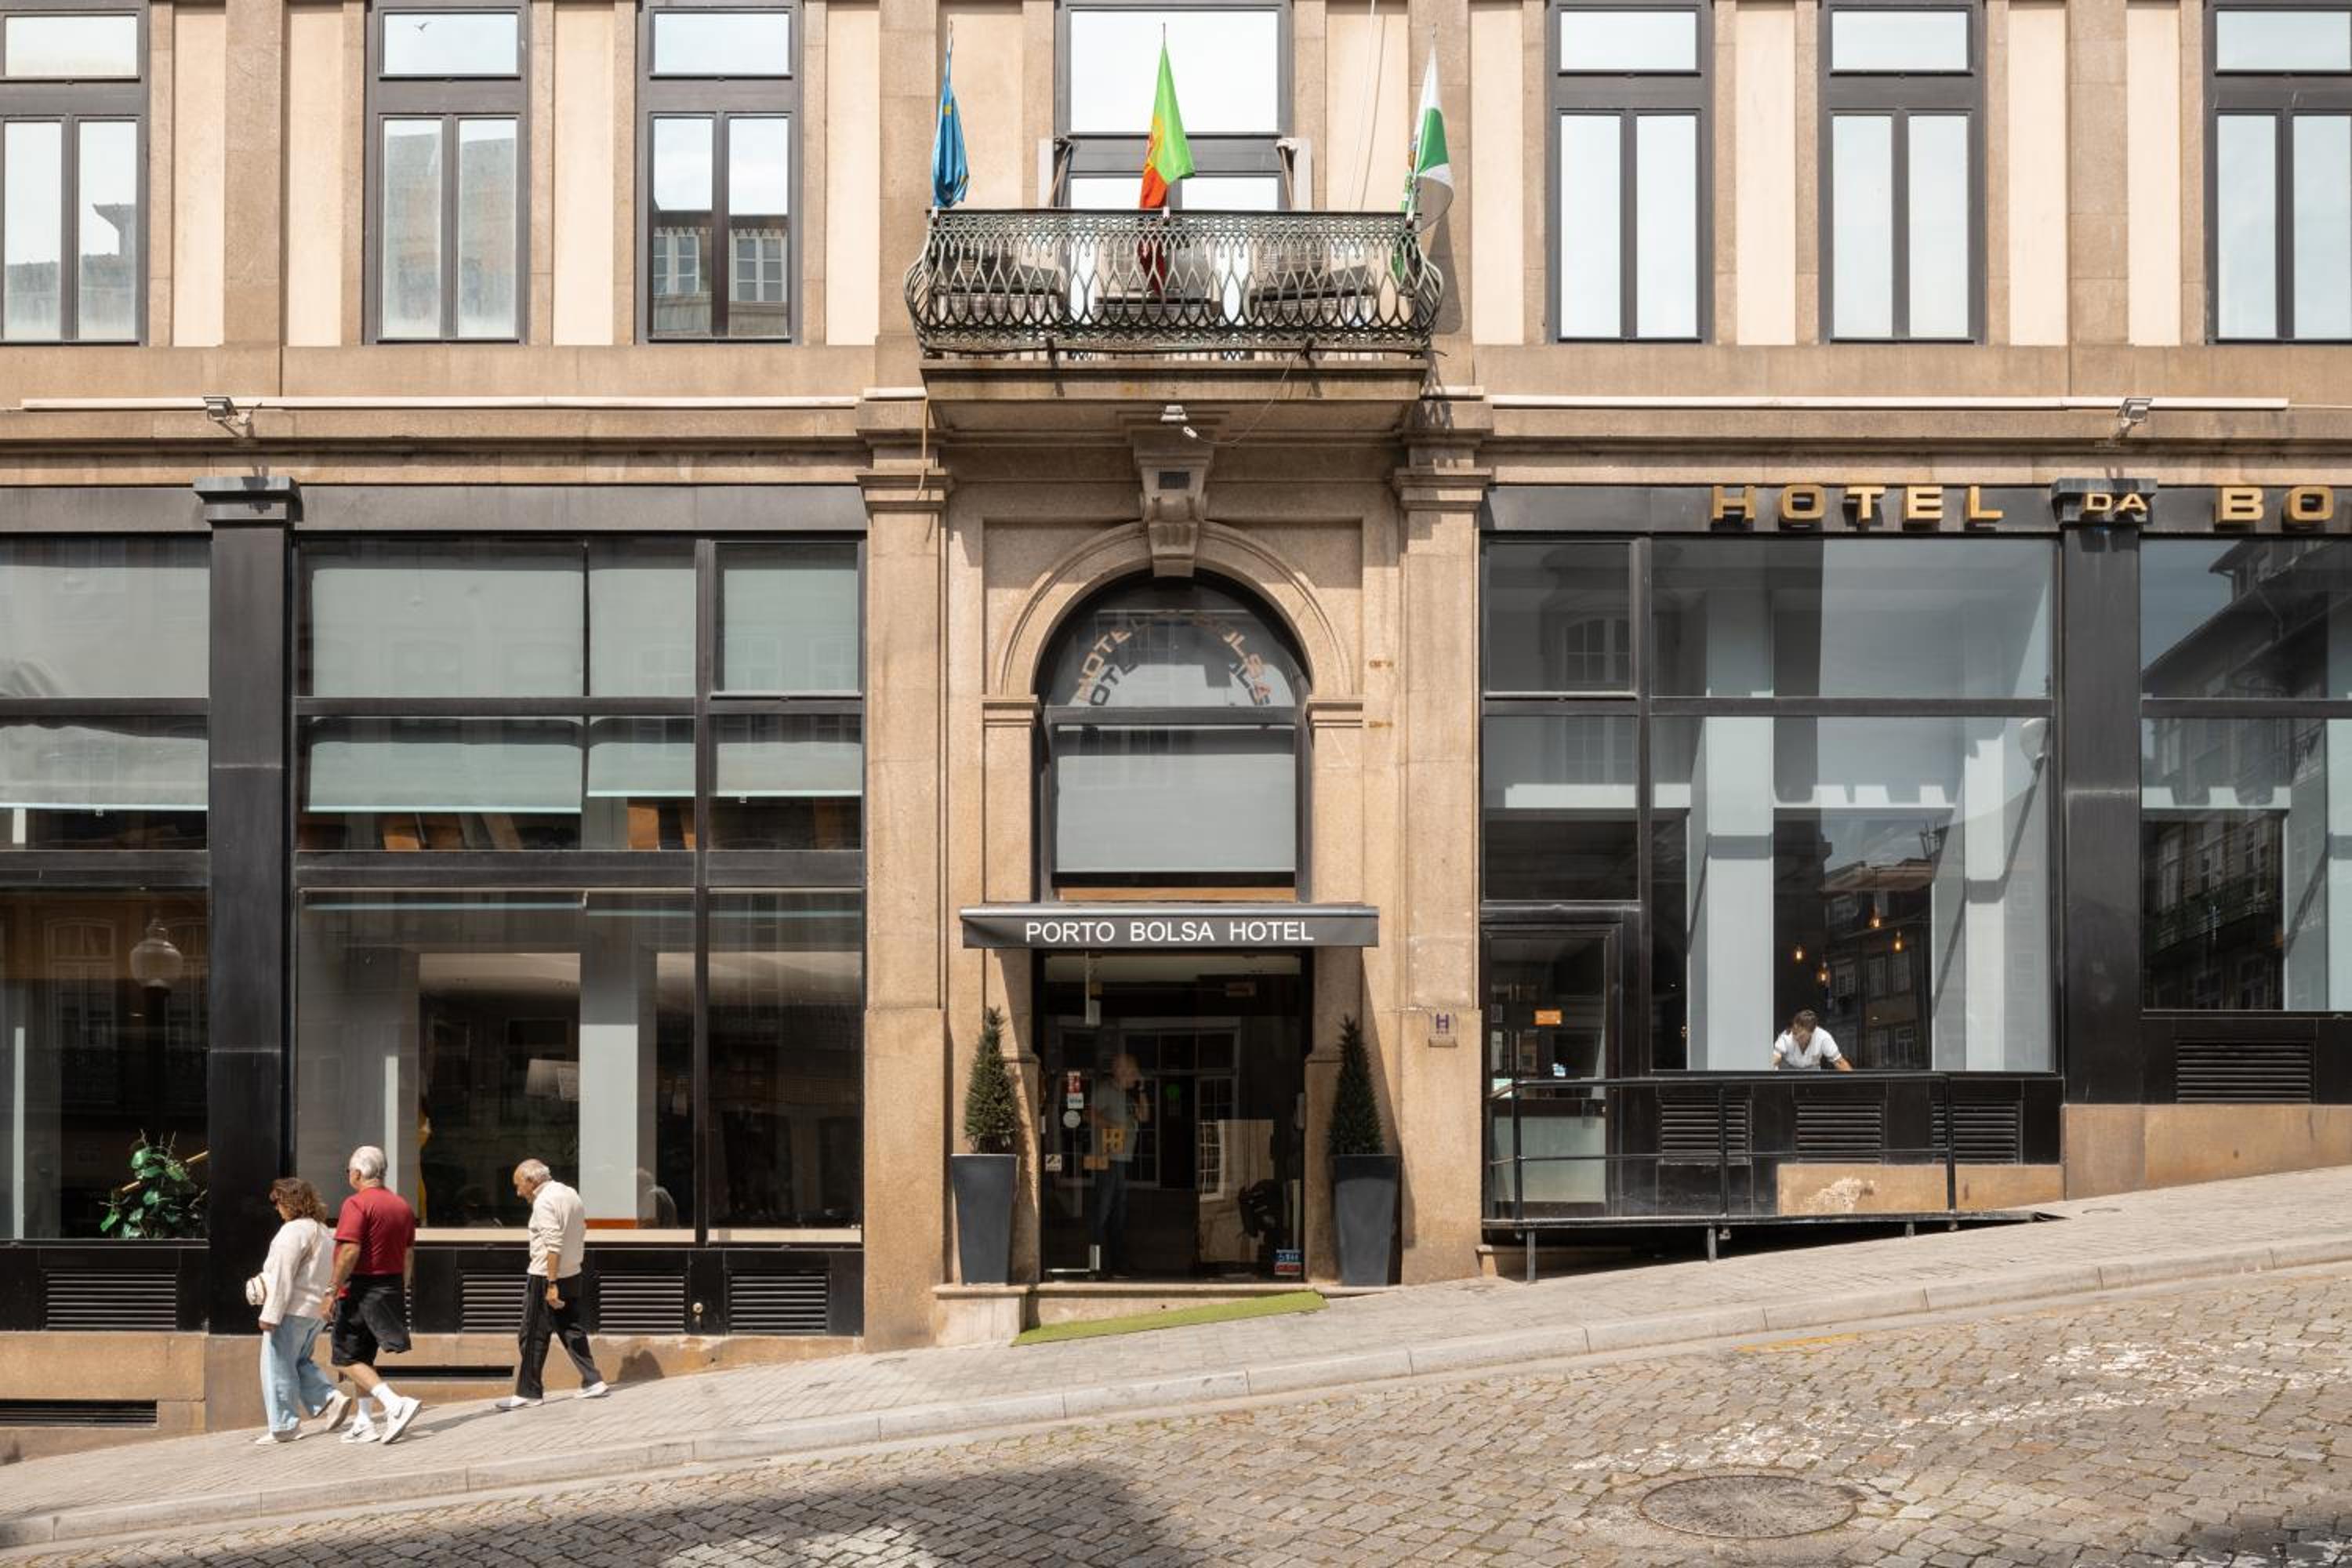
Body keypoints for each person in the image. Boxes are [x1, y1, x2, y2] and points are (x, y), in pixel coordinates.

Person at [321, 1145, 423, 1445]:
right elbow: (408, 1254)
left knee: (344, 1357)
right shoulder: (402, 1206)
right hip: (389, 1285)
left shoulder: (356, 1204)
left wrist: (331, 1290)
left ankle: (395, 1404)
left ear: (357, 1173)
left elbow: (350, 1250)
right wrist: (400, 1288)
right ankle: (364, 1422)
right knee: (363, 1356)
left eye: (348, 1171)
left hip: (360, 1287)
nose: (348, 1175)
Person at [496, 1159, 608, 1410]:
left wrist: (551, 1283)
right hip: (572, 1272)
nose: (518, 1192)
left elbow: (553, 1244)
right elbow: (581, 1231)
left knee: (531, 1334)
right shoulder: (570, 1193)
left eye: (519, 1185)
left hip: (546, 1276)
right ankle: (593, 1380)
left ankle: (529, 1392)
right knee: (570, 1328)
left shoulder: (544, 1201)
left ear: (531, 1180)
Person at [249, 1178, 339, 1445]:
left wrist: (270, 1315)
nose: (276, 1208)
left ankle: (284, 1427)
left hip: (292, 1310)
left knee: (276, 1368)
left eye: (278, 1202)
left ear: (290, 1202)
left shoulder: (292, 1232)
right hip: (315, 1312)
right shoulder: (323, 1231)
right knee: (299, 1362)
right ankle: (331, 1398)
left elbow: (282, 1276)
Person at [1084, 1053, 1144, 1277]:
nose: (1136, 1076)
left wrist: (1141, 1091)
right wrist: (1113, 1126)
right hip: (1107, 1159)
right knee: (1103, 1211)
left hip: (1122, 1159)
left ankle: (1118, 1264)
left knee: (1118, 1213)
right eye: (1133, 1072)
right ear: (1120, 1071)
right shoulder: (1105, 1090)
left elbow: (1144, 1116)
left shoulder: (1127, 1095)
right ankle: (1097, 1266)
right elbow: (1088, 1114)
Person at [1771, 1009, 1853, 1072]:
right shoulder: (1786, 1036)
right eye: (1795, 1033)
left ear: (1812, 1032)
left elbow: (1839, 1062)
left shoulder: (1823, 1037)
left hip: (1811, 1075)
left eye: (1801, 1036)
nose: (1796, 1037)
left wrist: (1854, 1084)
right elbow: (1775, 1058)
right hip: (1788, 1074)